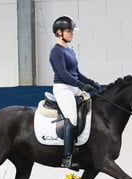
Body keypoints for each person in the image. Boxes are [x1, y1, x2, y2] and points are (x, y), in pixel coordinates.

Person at [49, 16, 100, 169]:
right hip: (63, 88)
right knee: (72, 118)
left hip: (74, 87)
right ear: (59, 32)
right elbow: (64, 74)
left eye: (72, 31)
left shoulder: (70, 50)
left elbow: (77, 73)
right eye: (69, 31)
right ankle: (67, 157)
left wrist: (91, 82)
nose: (72, 34)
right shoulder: (56, 52)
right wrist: (81, 85)